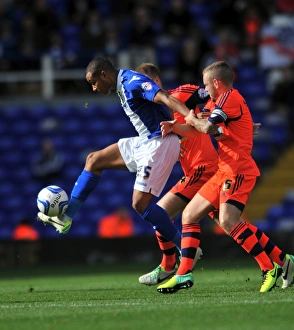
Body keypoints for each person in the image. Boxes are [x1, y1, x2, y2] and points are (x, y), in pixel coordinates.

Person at [136, 63, 294, 289]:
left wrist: (192, 120)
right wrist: (176, 127)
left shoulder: (212, 97)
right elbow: (204, 124)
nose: (205, 88)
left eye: (207, 83)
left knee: (174, 214)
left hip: (223, 168)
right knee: (207, 219)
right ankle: (282, 259)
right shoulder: (211, 103)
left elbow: (207, 122)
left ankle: (172, 267)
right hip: (219, 169)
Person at [37, 57, 192, 254]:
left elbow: (164, 96)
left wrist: (190, 117)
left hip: (159, 142)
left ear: (104, 75)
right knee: (94, 160)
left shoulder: (131, 82)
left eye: (94, 83)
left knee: (140, 204)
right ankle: (65, 218)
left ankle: (186, 249)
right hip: (146, 140)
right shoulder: (122, 85)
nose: (93, 88)